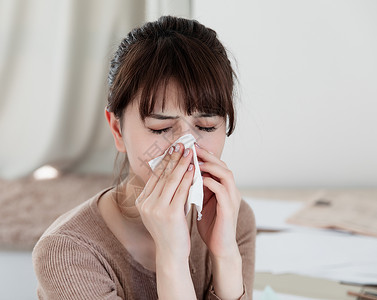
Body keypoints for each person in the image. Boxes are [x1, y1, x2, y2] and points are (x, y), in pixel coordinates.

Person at [33, 15, 256, 300]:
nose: (185, 147)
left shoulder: (232, 218)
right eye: (160, 128)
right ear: (117, 129)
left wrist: (226, 256)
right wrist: (172, 258)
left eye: (206, 126)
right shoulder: (66, 254)